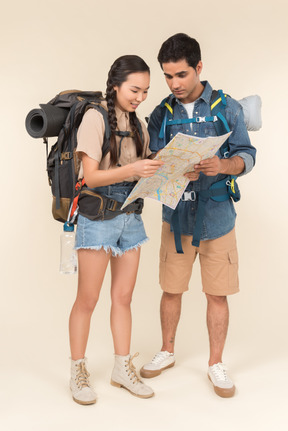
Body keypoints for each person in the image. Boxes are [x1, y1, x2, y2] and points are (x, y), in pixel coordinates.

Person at [140, 34, 256, 398]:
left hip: (219, 217)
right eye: (168, 76)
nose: (174, 84)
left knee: (217, 294)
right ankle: (167, 351)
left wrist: (223, 164)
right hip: (175, 217)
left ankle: (215, 364)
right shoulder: (161, 112)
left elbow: (247, 155)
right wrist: (169, 169)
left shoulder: (228, 107)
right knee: (170, 289)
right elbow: (151, 162)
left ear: (199, 68)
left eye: (182, 75)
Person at [69, 55, 163, 405]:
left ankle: (122, 369)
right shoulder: (94, 117)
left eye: (146, 91)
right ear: (115, 85)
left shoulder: (140, 124)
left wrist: (174, 169)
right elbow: (91, 176)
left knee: (123, 298)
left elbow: (145, 173)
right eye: (134, 90)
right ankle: (78, 371)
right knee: (87, 300)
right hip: (97, 216)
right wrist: (134, 169)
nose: (140, 97)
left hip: (131, 217)